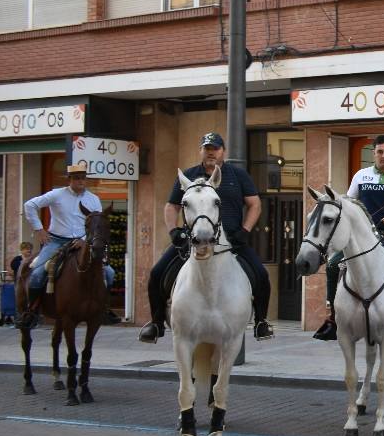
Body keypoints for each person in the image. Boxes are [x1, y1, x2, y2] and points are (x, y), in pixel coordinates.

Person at [139, 132, 273, 343]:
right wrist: (174, 231)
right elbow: (171, 206)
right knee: (156, 274)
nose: (211, 152)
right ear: (201, 151)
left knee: (261, 276)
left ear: (223, 152)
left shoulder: (238, 175)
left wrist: (244, 231)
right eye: (207, 148)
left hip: (232, 242)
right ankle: (156, 324)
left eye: (215, 148)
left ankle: (261, 322)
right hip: (193, 241)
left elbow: (255, 204)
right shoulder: (188, 175)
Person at [313, 134, 384, 341]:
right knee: (332, 266)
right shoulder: (361, 175)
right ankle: (333, 318)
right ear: (374, 153)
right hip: (363, 234)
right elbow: (349, 202)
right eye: (380, 152)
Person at [18, 162, 115, 328]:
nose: (80, 181)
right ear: (69, 179)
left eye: (83, 178)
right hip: (56, 241)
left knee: (109, 273)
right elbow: (30, 205)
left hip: (82, 243)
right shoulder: (57, 194)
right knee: (37, 273)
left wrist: (84, 239)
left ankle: (104, 309)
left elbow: (97, 225)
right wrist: (39, 229)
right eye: (76, 178)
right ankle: (32, 311)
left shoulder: (93, 199)